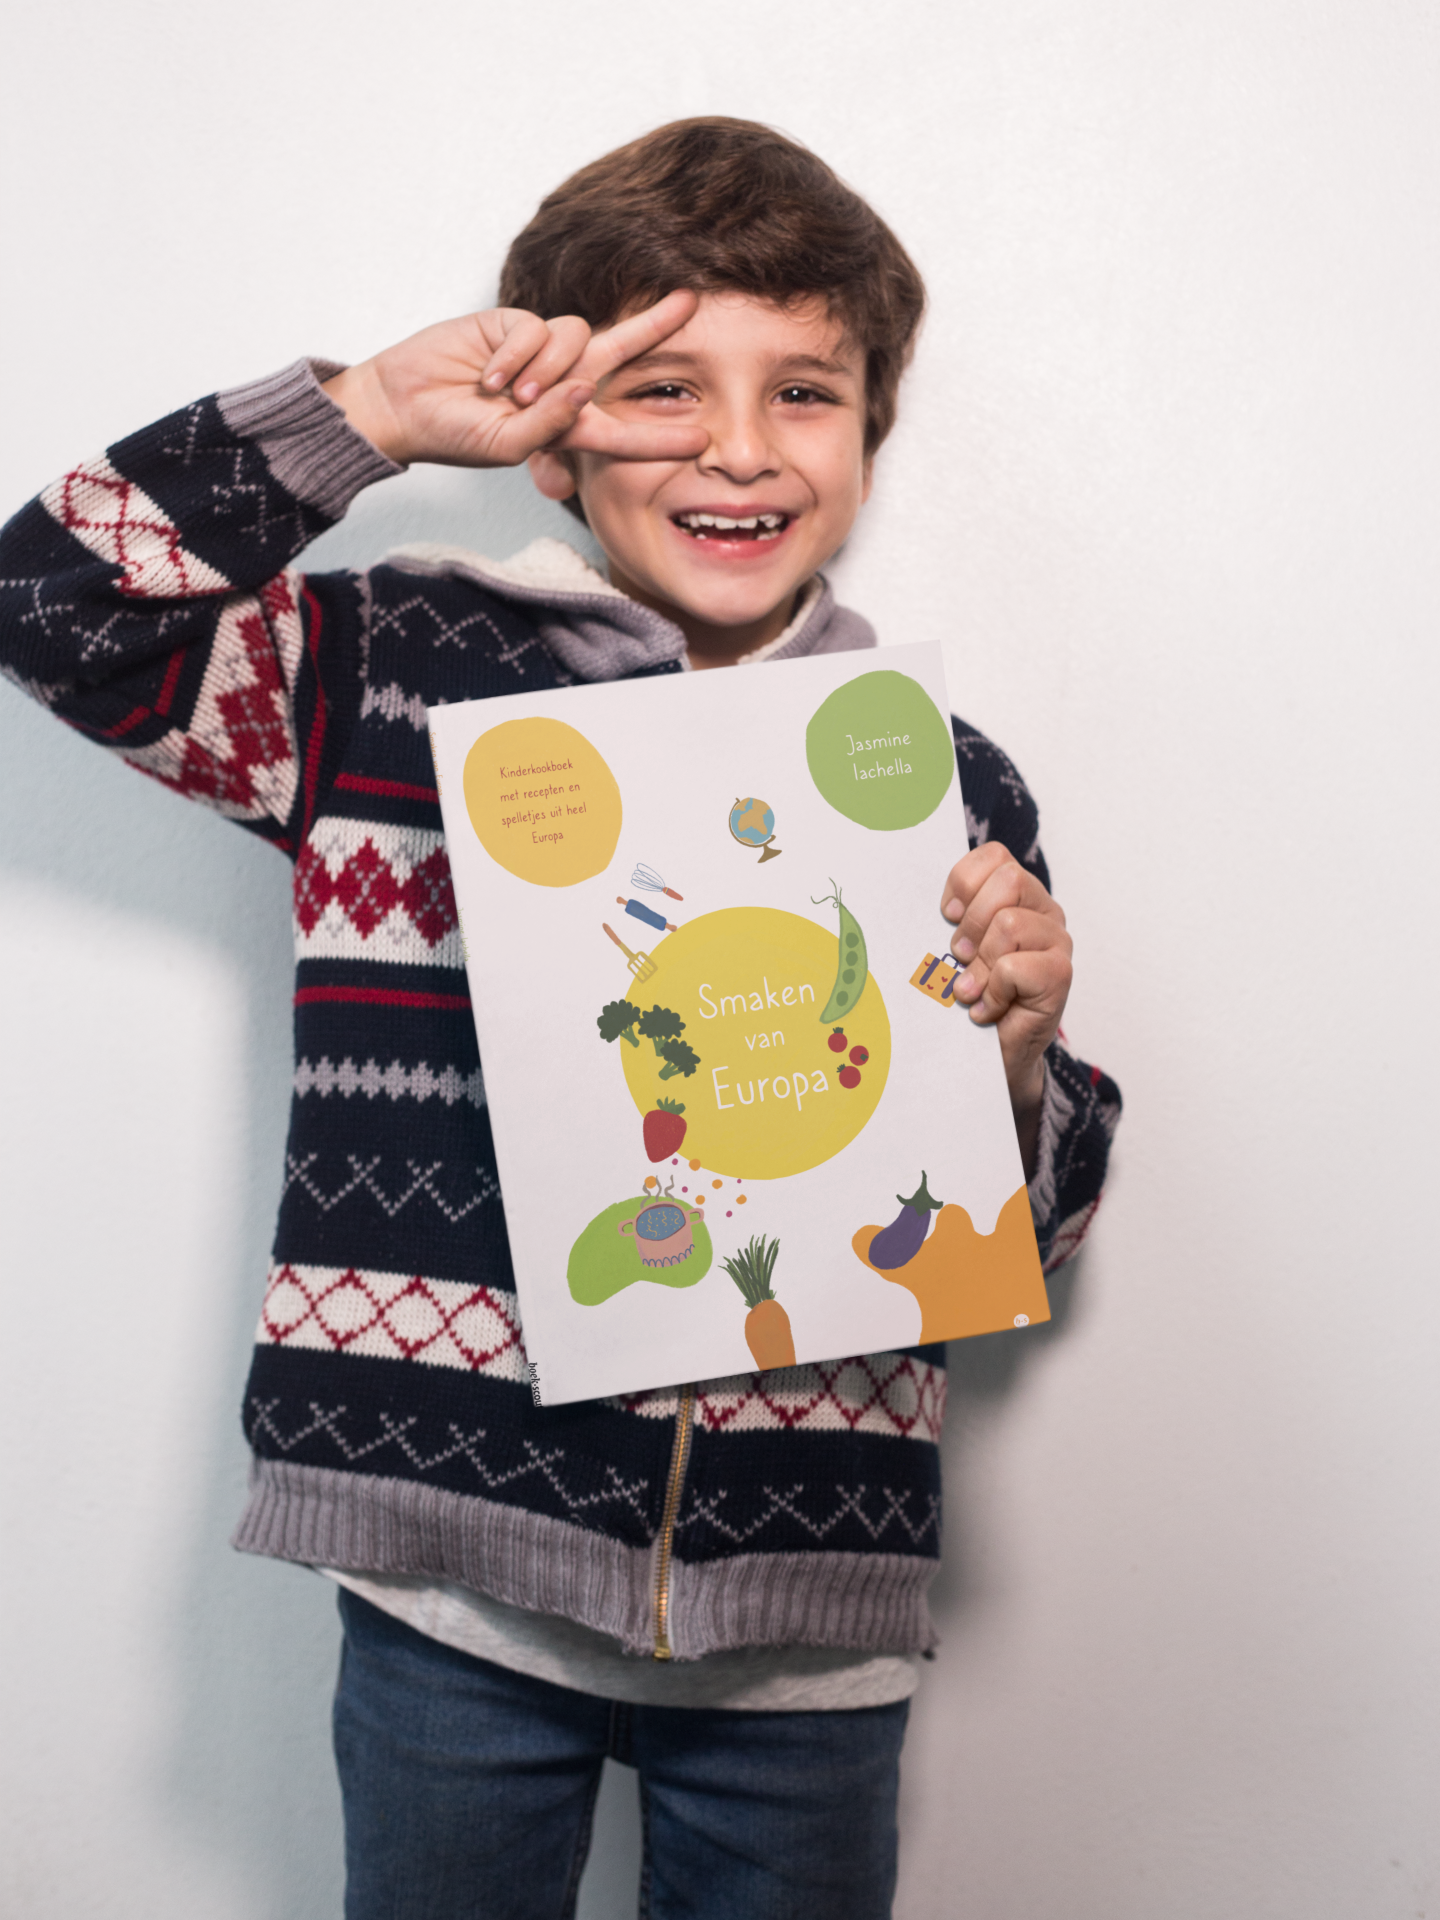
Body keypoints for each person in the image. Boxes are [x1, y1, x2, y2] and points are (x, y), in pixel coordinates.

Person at [0, 117, 1120, 1920]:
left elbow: (1034, 1233)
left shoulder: (940, 783)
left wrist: (1009, 1059)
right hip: (457, 1590)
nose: (740, 448)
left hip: (803, 1625)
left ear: (869, 438)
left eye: (805, 394)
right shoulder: (381, 684)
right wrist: (362, 411)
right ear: (546, 436)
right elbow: (51, 605)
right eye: (663, 387)